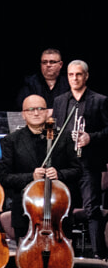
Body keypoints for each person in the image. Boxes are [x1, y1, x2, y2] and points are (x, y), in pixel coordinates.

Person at [0, 95, 81, 268]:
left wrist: (60, 174)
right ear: (23, 114)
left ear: (47, 112)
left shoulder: (62, 138)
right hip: (28, 215)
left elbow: (78, 170)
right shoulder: (12, 140)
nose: (36, 113)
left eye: (40, 108)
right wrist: (30, 177)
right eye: (30, 109)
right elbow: (4, 176)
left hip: (57, 215)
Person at [53, 60, 106, 257]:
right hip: (67, 165)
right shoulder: (60, 101)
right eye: (70, 75)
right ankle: (65, 255)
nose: (74, 78)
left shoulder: (100, 100)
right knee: (63, 210)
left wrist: (90, 137)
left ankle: (100, 257)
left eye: (78, 74)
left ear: (86, 76)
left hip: (88, 163)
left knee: (92, 209)